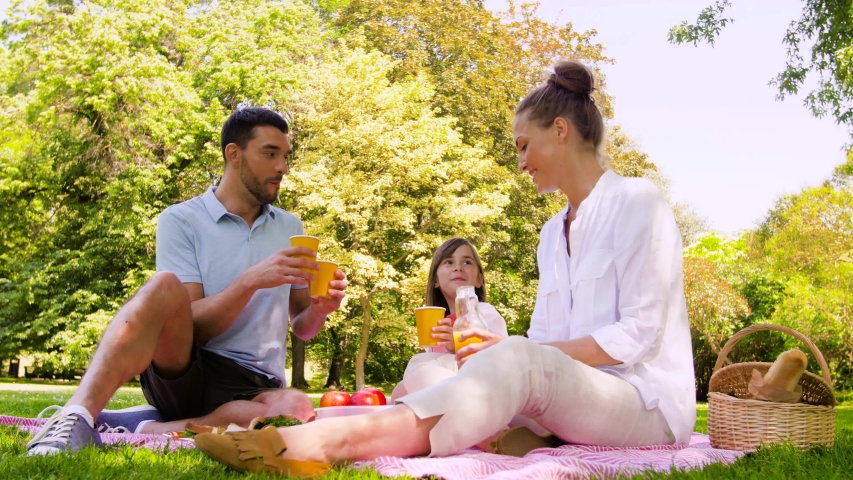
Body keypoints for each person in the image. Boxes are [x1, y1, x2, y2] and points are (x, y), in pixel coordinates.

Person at [194, 60, 696, 478]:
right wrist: (491, 356)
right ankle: (276, 429)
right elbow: (542, 336)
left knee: (516, 360)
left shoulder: (639, 203)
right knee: (433, 366)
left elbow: (638, 336)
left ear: (560, 132)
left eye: (524, 144)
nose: (520, 161)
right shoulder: (550, 234)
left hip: (644, 404)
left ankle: (323, 445)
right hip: (568, 397)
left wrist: (517, 356)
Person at [25, 108, 348, 456]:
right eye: (270, 154)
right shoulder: (181, 220)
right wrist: (250, 282)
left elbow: (302, 326)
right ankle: (76, 415)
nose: (282, 167)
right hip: (187, 369)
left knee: (297, 411)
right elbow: (192, 323)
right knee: (164, 284)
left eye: (285, 157)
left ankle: (146, 426)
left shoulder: (290, 227)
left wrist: (319, 310)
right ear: (234, 154)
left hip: (257, 384)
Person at [390, 238, 508, 402]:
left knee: (419, 365)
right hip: (452, 390)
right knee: (400, 391)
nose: (458, 267)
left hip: (485, 387)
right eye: (449, 262)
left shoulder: (483, 312)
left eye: (467, 262)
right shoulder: (439, 324)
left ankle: (468, 405)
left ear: (480, 280)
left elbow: (501, 359)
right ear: (436, 281)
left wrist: (457, 345)